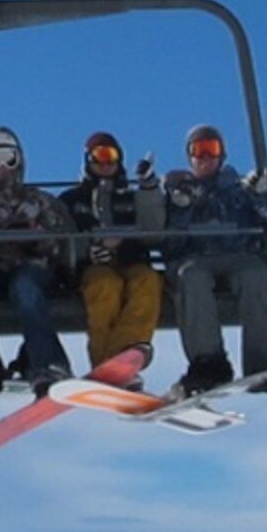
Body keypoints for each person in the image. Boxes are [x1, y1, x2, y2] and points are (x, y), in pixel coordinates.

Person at [160, 122, 267, 394]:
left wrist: (264, 198)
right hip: (197, 259)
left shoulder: (240, 191)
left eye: (211, 149)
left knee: (256, 275)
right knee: (191, 277)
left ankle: (263, 367)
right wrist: (181, 209)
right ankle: (210, 364)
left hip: (238, 255)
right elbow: (169, 244)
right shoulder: (180, 191)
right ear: (190, 156)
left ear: (222, 155)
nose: (205, 157)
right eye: (199, 150)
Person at [0, 123, 76, 392]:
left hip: (33, 267)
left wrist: (35, 240)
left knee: (25, 288)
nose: (1, 167)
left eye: (8, 159)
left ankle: (47, 363)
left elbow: (62, 244)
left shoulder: (37, 201)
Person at [62, 128, 163, 381]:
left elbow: (153, 230)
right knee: (105, 286)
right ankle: (108, 363)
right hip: (93, 267)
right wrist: (90, 248)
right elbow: (62, 237)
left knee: (148, 281)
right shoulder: (74, 199)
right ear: (89, 160)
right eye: (100, 156)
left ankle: (121, 358)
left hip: (132, 260)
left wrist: (148, 189)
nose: (106, 163)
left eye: (111, 156)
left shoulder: (129, 197)